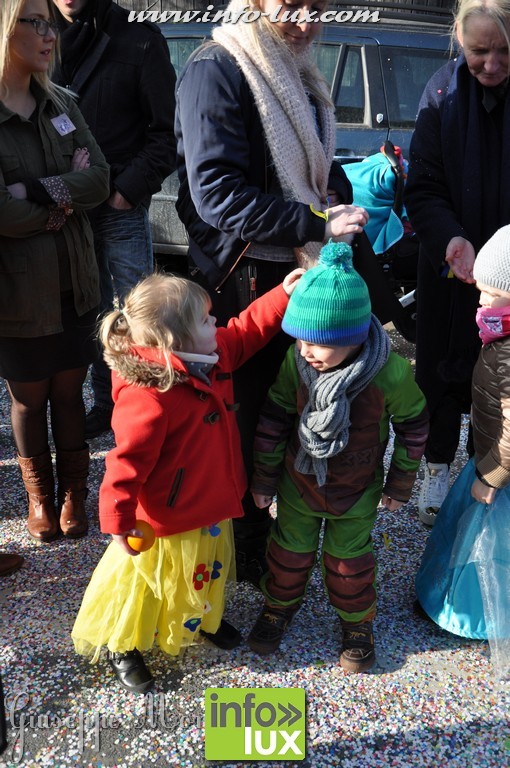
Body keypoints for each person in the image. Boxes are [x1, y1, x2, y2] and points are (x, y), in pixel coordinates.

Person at [175, 0, 370, 584]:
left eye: (318, 7)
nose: (306, 20)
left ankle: (281, 536)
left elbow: (315, 169)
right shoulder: (217, 67)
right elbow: (216, 195)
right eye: (291, 4)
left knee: (289, 409)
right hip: (244, 278)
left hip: (296, 268)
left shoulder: (297, 70)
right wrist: (316, 221)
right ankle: (243, 549)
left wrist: (337, 197)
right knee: (245, 418)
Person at [71, 267, 303, 694]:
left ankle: (199, 622)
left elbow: (246, 329)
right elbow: (125, 464)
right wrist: (117, 519)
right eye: (205, 319)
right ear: (172, 340)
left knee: (205, 571)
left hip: (209, 505)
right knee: (145, 584)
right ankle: (125, 642)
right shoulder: (148, 396)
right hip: (164, 519)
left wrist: (282, 295)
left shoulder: (210, 355)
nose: (216, 322)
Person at [246, 241, 429, 672]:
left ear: (351, 337)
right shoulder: (297, 363)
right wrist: (264, 480)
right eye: (300, 339)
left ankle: (357, 622)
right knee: (288, 552)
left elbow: (414, 427)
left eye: (317, 342)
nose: (305, 350)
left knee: (349, 562)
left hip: (356, 490)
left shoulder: (390, 373)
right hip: (299, 483)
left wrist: (400, 483)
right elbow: (274, 419)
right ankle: (278, 606)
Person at [0, 0, 110, 541]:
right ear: (5, 27)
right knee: (28, 399)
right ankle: (39, 499)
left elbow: (101, 179)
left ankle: (74, 496)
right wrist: (65, 198)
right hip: (18, 292)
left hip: (75, 282)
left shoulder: (62, 102)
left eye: (52, 24)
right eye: (36, 23)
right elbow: (1, 213)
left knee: (70, 395)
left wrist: (38, 191)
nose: (50, 35)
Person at [404, 0, 510, 527]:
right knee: (442, 373)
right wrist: (449, 238)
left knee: (502, 379)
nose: (491, 64)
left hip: (509, 273)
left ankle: (487, 470)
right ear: (460, 44)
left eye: (503, 51)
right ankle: (437, 465)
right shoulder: (441, 92)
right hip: (452, 267)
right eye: (479, 51)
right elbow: (422, 185)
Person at [51, 0, 177, 439]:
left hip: (118, 204)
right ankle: (99, 405)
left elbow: (168, 133)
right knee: (81, 311)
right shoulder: (33, 29)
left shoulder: (139, 36)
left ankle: (140, 409)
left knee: (134, 312)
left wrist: (126, 191)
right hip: (61, 207)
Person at [415, 225, 510, 680]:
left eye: (492, 295)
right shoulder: (500, 341)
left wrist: (491, 477)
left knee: (487, 545)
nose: (481, 303)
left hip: (499, 470)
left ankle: (477, 617)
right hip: (489, 456)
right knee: (467, 532)